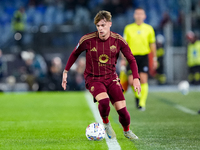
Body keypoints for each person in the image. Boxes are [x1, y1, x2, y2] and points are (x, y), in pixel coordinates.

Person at [62, 10, 141, 140]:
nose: (100, 28)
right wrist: (65, 71)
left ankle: (127, 131)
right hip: (93, 78)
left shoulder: (118, 40)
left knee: (124, 113)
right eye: (98, 26)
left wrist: (136, 78)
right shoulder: (87, 39)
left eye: (103, 25)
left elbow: (131, 59)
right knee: (104, 102)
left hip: (111, 78)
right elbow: (74, 53)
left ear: (110, 24)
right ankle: (106, 123)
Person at [122, 7, 157, 111]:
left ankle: (142, 103)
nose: (139, 15)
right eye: (137, 13)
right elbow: (124, 45)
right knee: (131, 81)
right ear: (134, 15)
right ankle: (137, 96)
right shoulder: (128, 28)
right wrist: (123, 59)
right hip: (131, 57)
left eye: (141, 14)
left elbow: (152, 45)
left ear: (144, 16)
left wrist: (154, 59)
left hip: (144, 56)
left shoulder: (149, 28)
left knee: (143, 79)